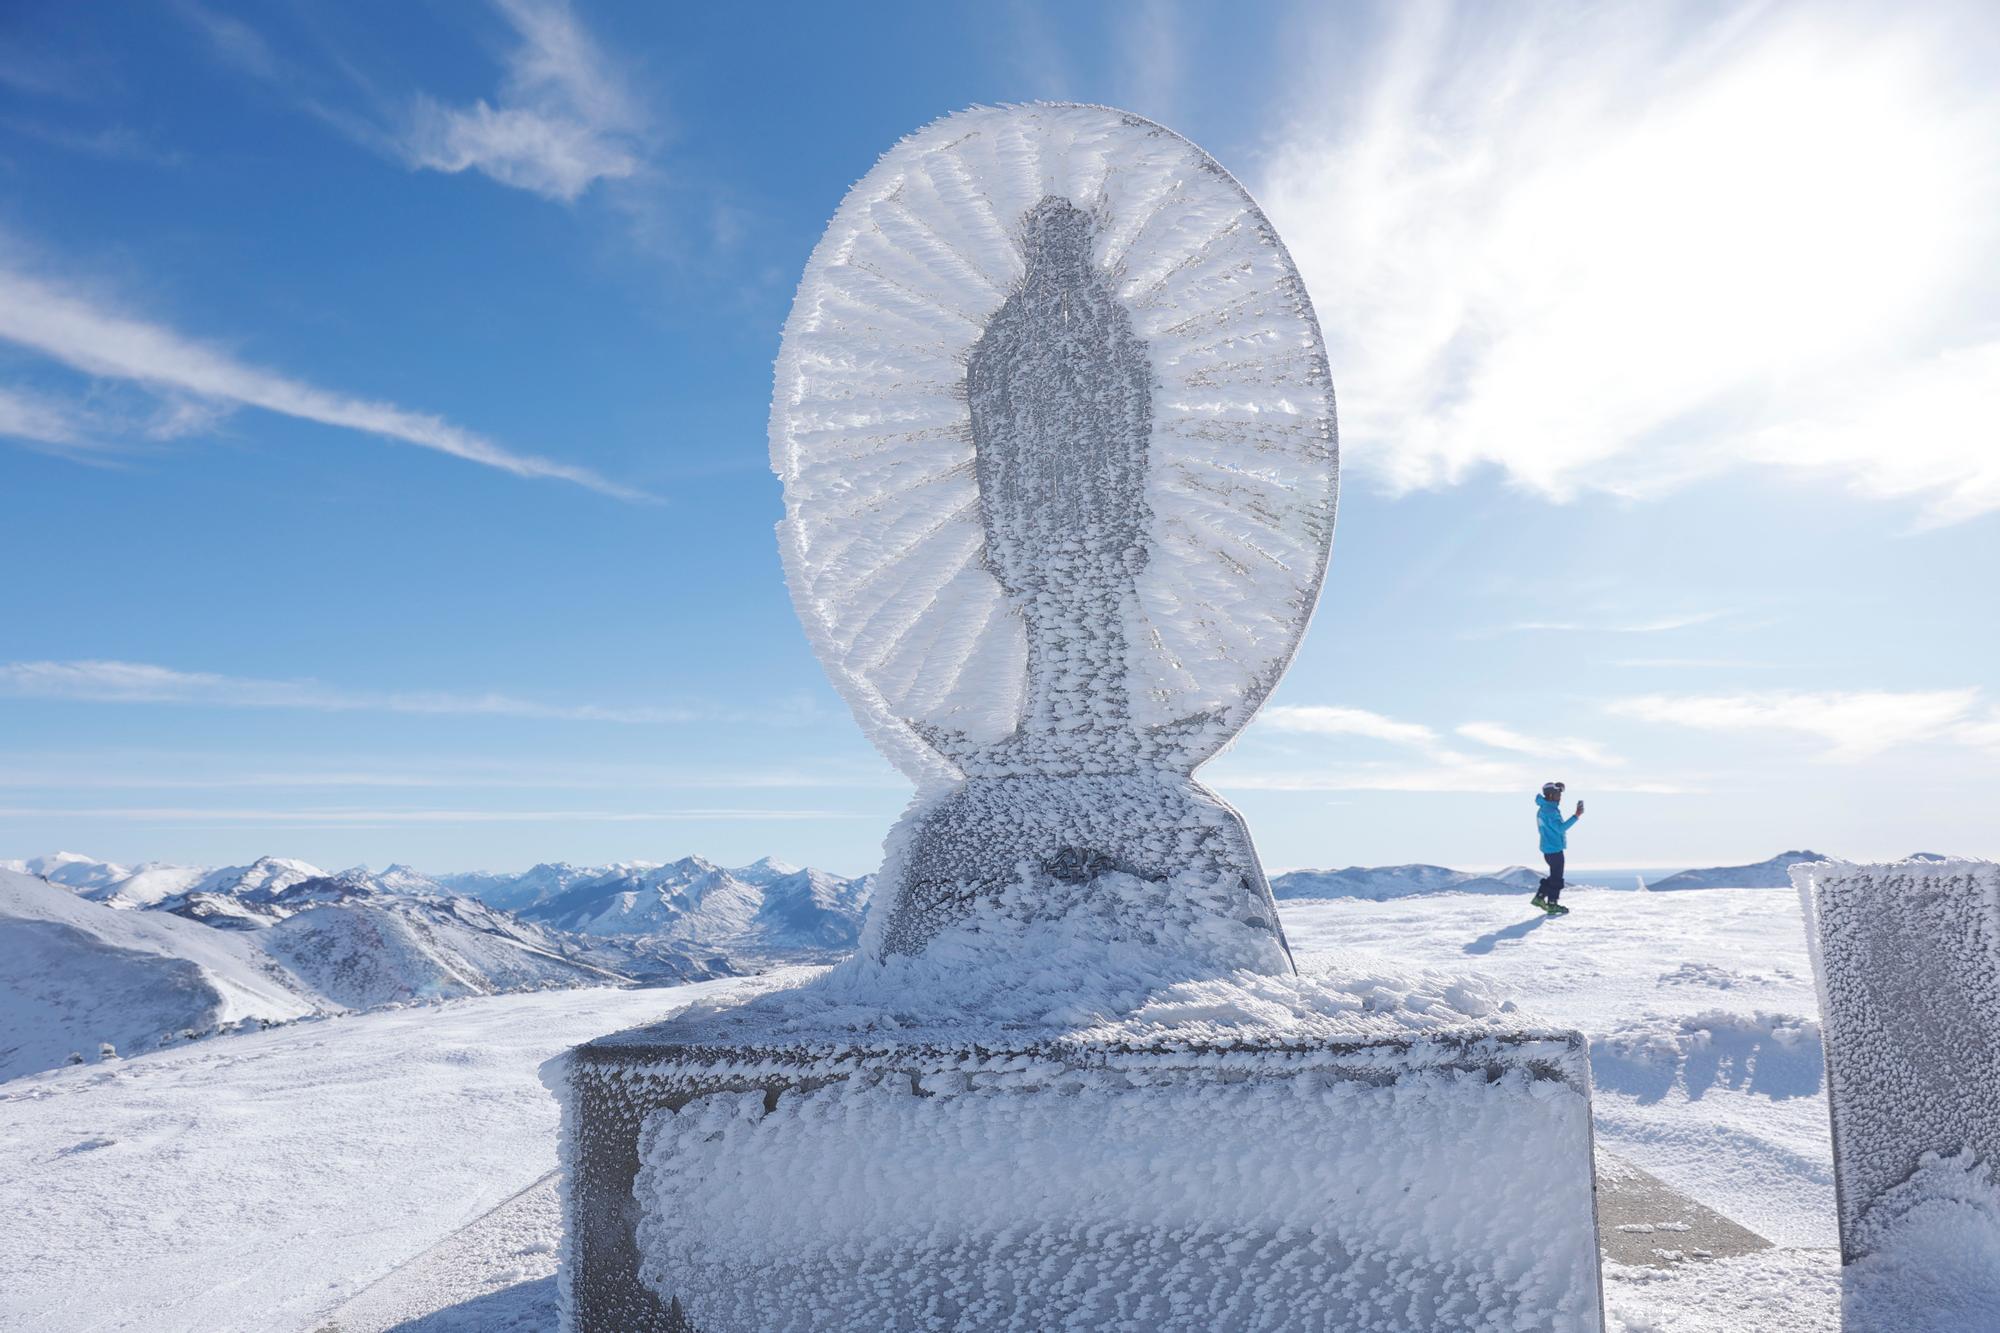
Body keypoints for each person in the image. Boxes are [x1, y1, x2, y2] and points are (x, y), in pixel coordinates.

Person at [1532, 781, 1584, 915]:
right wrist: (1576, 816)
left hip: (1548, 848)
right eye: (1557, 794)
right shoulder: (1550, 811)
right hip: (1554, 848)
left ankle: (1540, 897)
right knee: (1557, 878)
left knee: (1555, 876)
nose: (1559, 797)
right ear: (1550, 795)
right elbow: (1560, 828)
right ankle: (1552, 904)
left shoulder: (1545, 808)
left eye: (1560, 794)